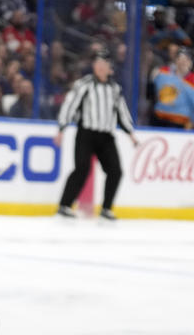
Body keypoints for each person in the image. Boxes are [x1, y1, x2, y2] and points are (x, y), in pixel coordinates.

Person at [55, 48, 138, 221]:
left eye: (104, 64)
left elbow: (122, 113)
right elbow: (70, 106)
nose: (100, 67)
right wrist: (62, 129)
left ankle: (106, 208)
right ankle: (65, 205)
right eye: (97, 63)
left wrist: (131, 134)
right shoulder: (84, 84)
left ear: (110, 68)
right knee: (82, 168)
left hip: (106, 136)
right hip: (86, 134)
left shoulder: (115, 89)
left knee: (115, 171)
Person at [150, 47, 194, 132]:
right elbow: (151, 87)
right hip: (158, 121)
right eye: (180, 58)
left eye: (186, 59)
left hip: (179, 125)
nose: (183, 62)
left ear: (191, 63)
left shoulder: (193, 81)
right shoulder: (162, 72)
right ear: (176, 60)